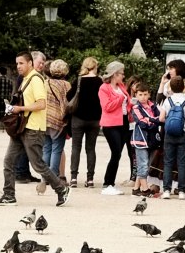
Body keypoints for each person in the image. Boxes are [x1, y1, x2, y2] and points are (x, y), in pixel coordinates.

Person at [0, 51, 68, 207]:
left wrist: (19, 108)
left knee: (38, 164)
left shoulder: (36, 79)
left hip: (33, 128)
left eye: (21, 63)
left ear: (29, 63)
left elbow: (41, 104)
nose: (18, 66)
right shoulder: (26, 79)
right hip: (22, 127)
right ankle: (9, 195)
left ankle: (61, 188)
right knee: (9, 161)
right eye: (17, 63)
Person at [66, 57, 102, 189]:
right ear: (95, 66)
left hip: (78, 118)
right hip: (95, 119)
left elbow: (69, 96)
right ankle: (90, 179)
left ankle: (74, 178)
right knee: (91, 149)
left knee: (76, 148)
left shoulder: (79, 80)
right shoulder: (100, 81)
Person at [158, 75, 185, 199]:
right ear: (184, 87)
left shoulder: (168, 101)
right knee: (181, 163)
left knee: (168, 162)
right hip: (183, 134)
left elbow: (161, 118)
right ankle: (181, 191)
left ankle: (166, 190)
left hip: (169, 135)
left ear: (171, 87)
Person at [98, 62, 131, 195]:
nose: (123, 76)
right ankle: (108, 183)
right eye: (122, 73)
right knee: (116, 152)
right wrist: (119, 98)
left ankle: (110, 183)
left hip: (123, 121)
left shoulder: (121, 86)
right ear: (115, 74)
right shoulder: (104, 88)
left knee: (118, 154)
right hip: (110, 124)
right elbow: (107, 107)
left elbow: (126, 102)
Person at [41, 59, 73, 187]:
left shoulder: (44, 83)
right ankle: (53, 176)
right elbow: (67, 103)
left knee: (46, 149)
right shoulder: (66, 85)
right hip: (59, 120)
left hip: (44, 119)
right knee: (57, 149)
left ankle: (44, 177)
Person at [129, 81, 160, 197]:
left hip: (151, 140)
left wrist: (150, 120)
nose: (143, 97)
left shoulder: (153, 106)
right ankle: (145, 190)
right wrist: (153, 121)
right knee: (142, 164)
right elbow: (142, 123)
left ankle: (136, 188)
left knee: (147, 165)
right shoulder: (136, 107)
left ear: (149, 95)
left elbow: (161, 118)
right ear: (136, 95)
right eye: (140, 94)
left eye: (145, 94)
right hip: (140, 139)